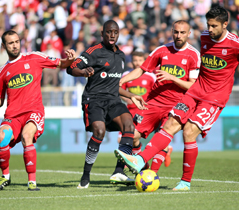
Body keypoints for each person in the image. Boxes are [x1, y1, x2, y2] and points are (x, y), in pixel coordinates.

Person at [114, 6, 239, 191]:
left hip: (214, 98)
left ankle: (185, 182)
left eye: (214, 26)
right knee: (171, 125)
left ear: (225, 24)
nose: (209, 30)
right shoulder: (204, 37)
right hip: (195, 92)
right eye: (208, 25)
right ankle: (140, 160)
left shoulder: (237, 43)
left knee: (189, 132)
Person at [114, 20, 200, 179]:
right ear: (172, 32)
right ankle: (143, 169)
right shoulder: (161, 50)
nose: (178, 35)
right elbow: (142, 69)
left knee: (162, 138)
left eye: (182, 32)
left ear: (189, 34)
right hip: (153, 102)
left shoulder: (193, 55)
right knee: (132, 136)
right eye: (176, 32)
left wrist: (172, 78)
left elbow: (193, 86)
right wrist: (121, 81)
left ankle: (152, 174)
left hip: (176, 105)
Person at [66, 20, 147, 189]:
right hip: (93, 100)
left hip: (113, 100)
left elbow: (114, 86)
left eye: (115, 32)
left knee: (128, 124)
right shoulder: (93, 51)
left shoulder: (122, 55)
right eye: (108, 32)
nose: (112, 35)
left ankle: (119, 171)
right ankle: (86, 175)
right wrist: (83, 71)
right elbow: (71, 68)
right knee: (99, 132)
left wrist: (132, 95)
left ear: (119, 34)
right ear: (102, 33)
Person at [0, 30, 75, 191]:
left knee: (26, 135)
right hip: (13, 116)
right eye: (10, 43)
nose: (15, 45)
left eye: (16, 41)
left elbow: (61, 64)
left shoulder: (35, 57)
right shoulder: (1, 72)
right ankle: (5, 176)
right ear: (3, 46)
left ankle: (32, 181)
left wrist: (70, 60)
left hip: (33, 112)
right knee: (2, 136)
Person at [110, 50, 156, 185]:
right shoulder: (126, 75)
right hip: (129, 113)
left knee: (134, 138)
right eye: (135, 60)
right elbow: (119, 90)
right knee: (127, 138)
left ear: (145, 61)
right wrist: (127, 98)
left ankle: (136, 162)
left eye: (140, 60)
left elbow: (155, 92)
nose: (137, 63)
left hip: (145, 112)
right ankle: (136, 163)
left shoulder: (151, 76)